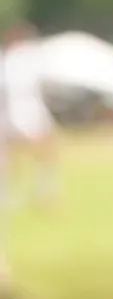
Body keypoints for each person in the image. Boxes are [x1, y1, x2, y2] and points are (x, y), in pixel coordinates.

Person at [0, 23, 59, 213]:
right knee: (16, 157)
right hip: (19, 113)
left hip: (27, 112)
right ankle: (35, 193)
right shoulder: (12, 62)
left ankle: (43, 192)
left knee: (42, 154)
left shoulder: (24, 60)